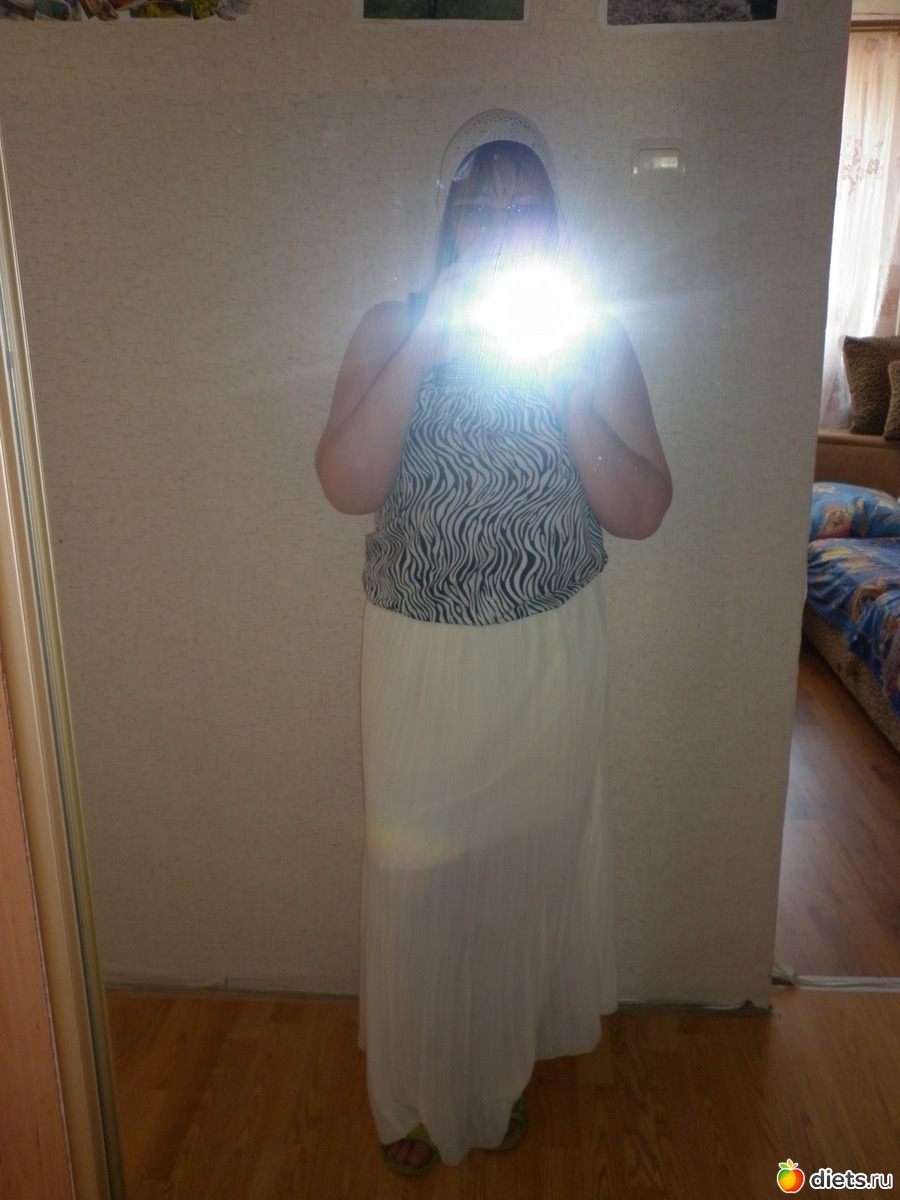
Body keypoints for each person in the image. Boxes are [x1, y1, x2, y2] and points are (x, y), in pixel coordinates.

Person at [315, 109, 672, 1176]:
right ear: (452, 217)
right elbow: (346, 486)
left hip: (547, 654)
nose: (504, 224)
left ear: (555, 225)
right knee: (414, 888)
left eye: (527, 207)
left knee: (522, 878)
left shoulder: (591, 337)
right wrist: (431, 339)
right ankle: (409, 1096)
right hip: (420, 657)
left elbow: (643, 509)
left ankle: (496, 1076)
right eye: (484, 203)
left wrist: (567, 397)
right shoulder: (390, 327)